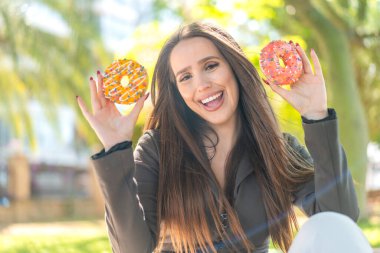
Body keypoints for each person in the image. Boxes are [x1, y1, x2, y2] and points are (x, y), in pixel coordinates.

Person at [77, 22, 363, 253]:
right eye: (185, 77)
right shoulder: (157, 149)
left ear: (234, 69)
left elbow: (339, 223)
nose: (202, 84)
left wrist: (316, 116)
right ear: (177, 91)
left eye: (211, 66)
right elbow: (132, 250)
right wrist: (116, 149)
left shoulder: (279, 149)